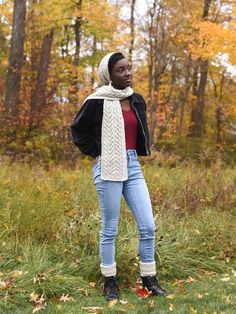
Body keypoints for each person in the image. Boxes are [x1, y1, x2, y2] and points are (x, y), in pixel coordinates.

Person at [71, 52, 167, 301]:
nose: (127, 73)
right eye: (121, 70)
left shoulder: (136, 99)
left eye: (129, 68)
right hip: (108, 167)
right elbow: (77, 130)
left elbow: (139, 130)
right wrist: (95, 152)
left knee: (147, 225)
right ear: (109, 75)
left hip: (133, 166)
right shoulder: (97, 100)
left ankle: (149, 279)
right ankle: (110, 282)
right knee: (110, 228)